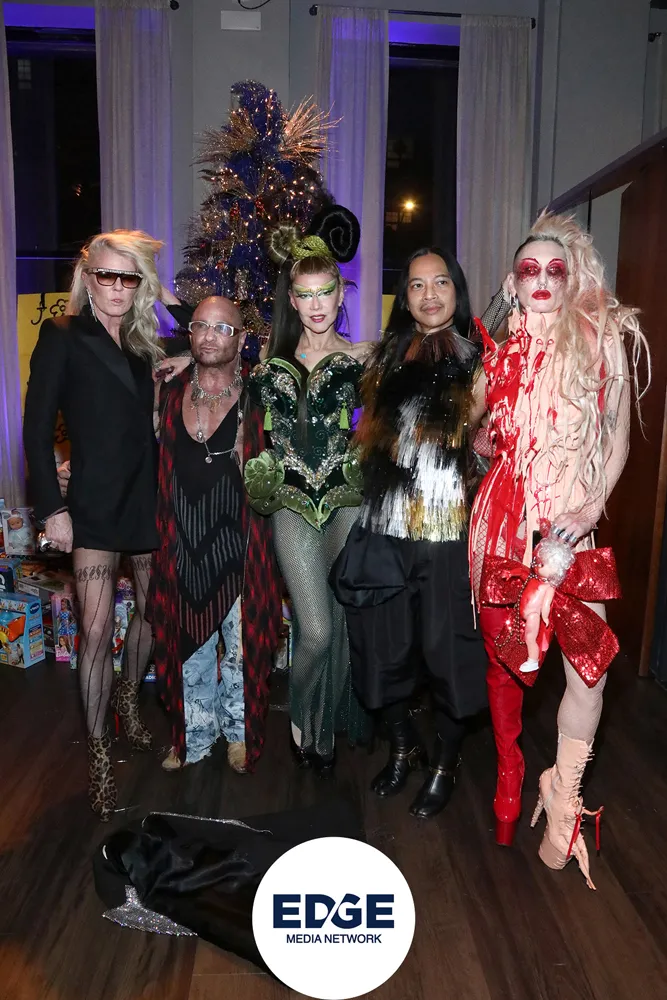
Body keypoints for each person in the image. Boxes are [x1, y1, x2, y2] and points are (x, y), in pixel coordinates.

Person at [469, 212, 647, 887]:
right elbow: (471, 426)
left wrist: (590, 507)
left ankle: (563, 795)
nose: (542, 279)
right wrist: (480, 440)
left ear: (571, 278)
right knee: (507, 668)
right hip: (505, 531)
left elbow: (618, 438)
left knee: (589, 673)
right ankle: (511, 775)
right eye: (528, 270)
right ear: (512, 283)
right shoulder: (498, 352)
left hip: (571, 532)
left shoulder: (603, 339)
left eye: (555, 269)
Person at [331, 247, 489, 819]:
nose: (429, 294)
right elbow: (313, 351)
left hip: (447, 532)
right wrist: (189, 356)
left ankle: (445, 763)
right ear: (405, 298)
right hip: (384, 526)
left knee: (448, 654)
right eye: (417, 285)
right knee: (380, 649)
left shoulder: (483, 361)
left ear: (456, 291)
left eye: (440, 282)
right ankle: (403, 747)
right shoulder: (382, 356)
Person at [23, 230, 169, 820]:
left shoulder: (144, 345)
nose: (117, 287)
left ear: (140, 285)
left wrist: (182, 354)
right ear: (87, 278)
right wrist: (52, 509)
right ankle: (101, 757)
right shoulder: (61, 334)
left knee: (154, 613)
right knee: (95, 630)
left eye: (129, 278)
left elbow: (210, 336)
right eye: (106, 275)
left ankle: (130, 701)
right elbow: (36, 432)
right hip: (92, 504)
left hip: (147, 496)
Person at [244, 209, 375, 774]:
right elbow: (211, 367)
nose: (317, 304)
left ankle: (327, 728)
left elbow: (430, 360)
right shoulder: (268, 363)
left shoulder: (362, 356)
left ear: (340, 294)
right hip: (291, 505)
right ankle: (302, 718)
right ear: (292, 301)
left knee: (342, 619)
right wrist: (180, 358)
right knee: (315, 631)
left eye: (326, 292)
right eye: (305, 294)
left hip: (347, 503)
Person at [148, 294, 282, 774]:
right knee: (188, 648)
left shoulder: (258, 397)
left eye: (222, 328)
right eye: (201, 326)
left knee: (242, 649)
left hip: (241, 545)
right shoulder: (168, 391)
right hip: (182, 542)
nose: (209, 335)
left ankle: (239, 733)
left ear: (240, 340)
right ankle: (195, 735)